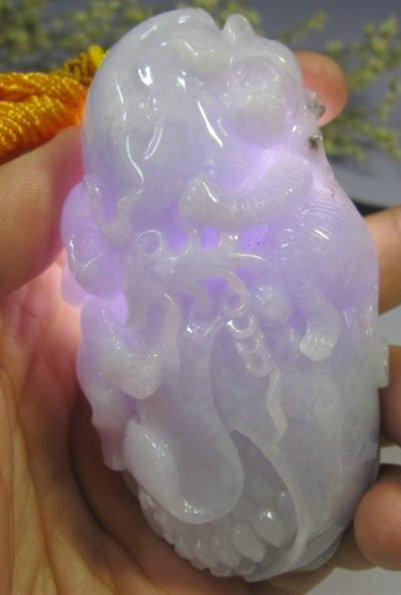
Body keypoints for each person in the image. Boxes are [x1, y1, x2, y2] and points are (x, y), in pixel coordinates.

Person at [0, 51, 399, 594]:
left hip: (269, 378)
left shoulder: (281, 181)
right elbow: (109, 290)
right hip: (181, 406)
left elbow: (284, 214)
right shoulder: (118, 221)